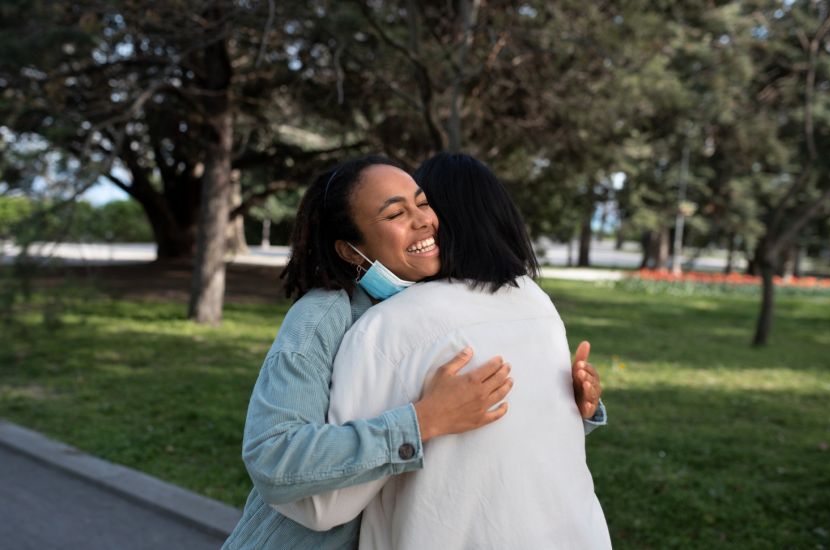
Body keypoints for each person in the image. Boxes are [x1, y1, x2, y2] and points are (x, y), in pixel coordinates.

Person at [223, 156, 605, 549]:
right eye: (395, 214)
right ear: (353, 251)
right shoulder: (323, 317)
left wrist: (568, 404)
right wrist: (422, 421)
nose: (424, 220)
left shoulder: (435, 309)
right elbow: (274, 456)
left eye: (423, 203)